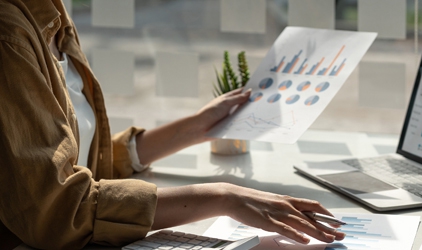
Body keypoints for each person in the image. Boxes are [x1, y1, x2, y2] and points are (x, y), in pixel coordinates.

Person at [0, 0, 345, 248]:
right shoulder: (9, 33)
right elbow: (56, 209)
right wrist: (222, 195)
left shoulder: (53, 15)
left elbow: (83, 161)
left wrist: (194, 128)